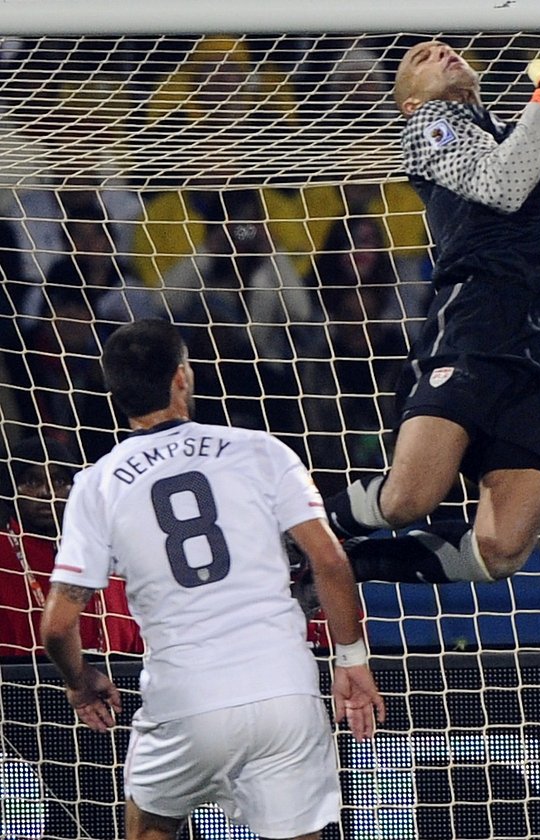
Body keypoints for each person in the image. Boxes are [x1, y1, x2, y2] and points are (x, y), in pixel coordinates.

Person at [38, 319, 384, 840]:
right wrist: (351, 661)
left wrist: (81, 684)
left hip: (185, 700)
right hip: (283, 692)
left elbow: (57, 627)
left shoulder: (98, 485)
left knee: (150, 826)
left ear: (114, 393)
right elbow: (331, 562)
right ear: (182, 377)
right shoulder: (261, 449)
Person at [320, 42, 540, 588]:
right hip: (478, 323)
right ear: (410, 102)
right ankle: (300, 533)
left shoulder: (539, 135)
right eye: (419, 57)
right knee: (409, 499)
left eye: (446, 48)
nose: (440, 51)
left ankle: (351, 567)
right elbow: (502, 187)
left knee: (501, 551)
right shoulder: (430, 127)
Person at [1, 435, 141, 657]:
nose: (46, 493)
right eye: (31, 482)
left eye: (58, 482)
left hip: (116, 677)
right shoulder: (4, 552)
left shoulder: (104, 545)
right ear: (10, 488)